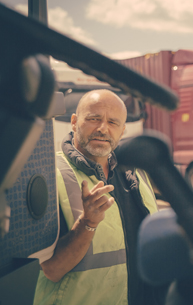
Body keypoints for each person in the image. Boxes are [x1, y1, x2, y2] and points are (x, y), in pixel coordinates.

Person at [34, 89, 160, 305]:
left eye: (113, 122)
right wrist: (88, 223)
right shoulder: (48, 174)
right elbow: (52, 270)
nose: (103, 128)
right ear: (74, 122)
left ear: (122, 131)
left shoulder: (136, 174)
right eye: (94, 119)